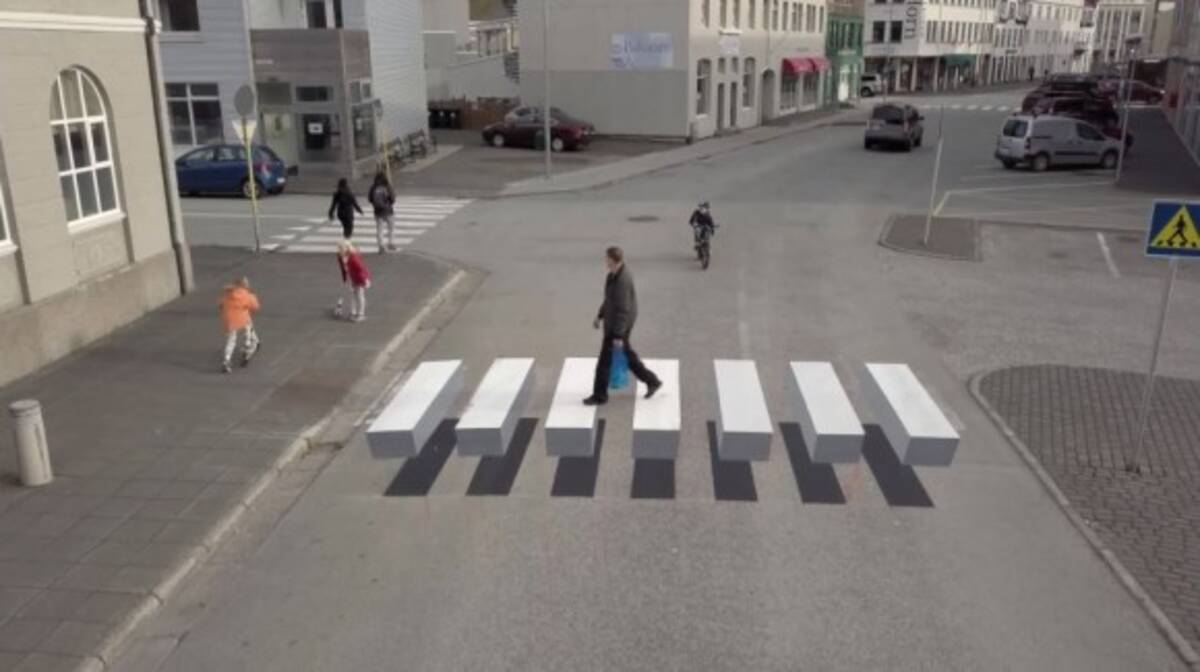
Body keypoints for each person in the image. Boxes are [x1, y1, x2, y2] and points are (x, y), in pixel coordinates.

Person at [584, 247, 661, 406]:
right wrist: (600, 315)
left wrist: (618, 335)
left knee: (604, 362)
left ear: (612, 260)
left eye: (606, 258)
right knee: (627, 355)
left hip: (619, 326)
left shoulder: (622, 280)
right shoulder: (612, 275)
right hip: (616, 323)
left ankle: (600, 396)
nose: (605, 261)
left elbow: (623, 310)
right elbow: (609, 300)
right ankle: (652, 380)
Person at [219, 276, 260, 373]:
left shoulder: (227, 295)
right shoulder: (247, 295)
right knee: (248, 329)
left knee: (231, 340)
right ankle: (247, 349)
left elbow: (220, 305)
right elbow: (255, 306)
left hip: (229, 321)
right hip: (243, 319)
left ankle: (226, 360)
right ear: (245, 285)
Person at [337, 240, 372, 322]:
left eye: (341, 249)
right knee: (354, 295)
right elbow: (346, 269)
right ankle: (354, 313)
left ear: (346, 249)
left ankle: (360, 314)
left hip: (359, 279)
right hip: (354, 279)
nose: (339, 251)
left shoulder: (353, 259)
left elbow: (361, 269)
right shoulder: (345, 257)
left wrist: (365, 280)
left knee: (359, 296)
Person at [368, 172, 396, 254]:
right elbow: (393, 199)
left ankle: (381, 246)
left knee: (380, 229)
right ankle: (391, 243)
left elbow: (370, 199)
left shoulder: (373, 187)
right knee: (391, 228)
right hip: (388, 211)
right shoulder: (387, 185)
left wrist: (375, 204)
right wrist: (388, 203)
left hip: (378, 212)